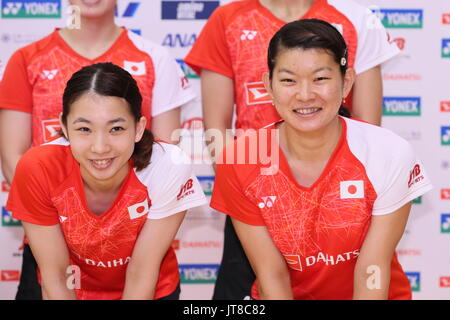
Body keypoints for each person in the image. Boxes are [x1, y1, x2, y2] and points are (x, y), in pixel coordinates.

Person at [184, 0, 400, 300]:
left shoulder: (357, 18)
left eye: (320, 78)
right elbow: (216, 128)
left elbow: (369, 129)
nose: (304, 94)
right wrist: (247, 191)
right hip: (257, 198)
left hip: (340, 197)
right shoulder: (227, 18)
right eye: (288, 80)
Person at [0, 0, 195, 299]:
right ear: (64, 128)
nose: (100, 145)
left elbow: (163, 155)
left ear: (138, 128)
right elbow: (55, 277)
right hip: (53, 232)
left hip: (141, 248)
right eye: (84, 128)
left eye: (116, 127)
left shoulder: (155, 58)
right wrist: (64, 211)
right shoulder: (28, 59)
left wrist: (115, 221)